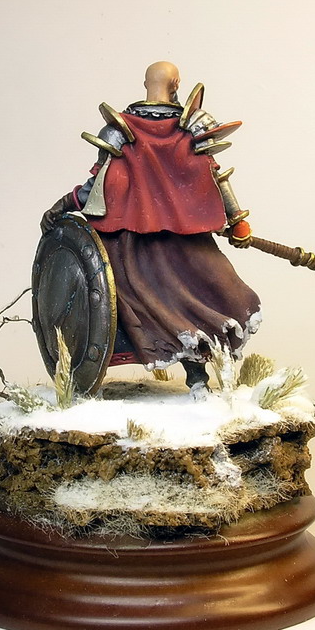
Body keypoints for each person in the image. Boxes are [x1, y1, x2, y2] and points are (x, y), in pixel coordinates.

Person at [40, 61, 261, 388]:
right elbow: (216, 179)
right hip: (181, 243)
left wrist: (62, 205)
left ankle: (195, 377)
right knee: (190, 303)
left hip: (129, 248)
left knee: (140, 306)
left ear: (145, 83)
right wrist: (237, 221)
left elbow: (95, 187)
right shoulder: (193, 128)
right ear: (177, 84)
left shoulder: (117, 132)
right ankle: (196, 378)